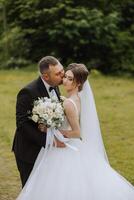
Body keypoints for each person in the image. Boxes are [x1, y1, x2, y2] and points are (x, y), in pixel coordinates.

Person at [16, 63, 134, 199]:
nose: (64, 80)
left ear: (78, 83)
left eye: (69, 78)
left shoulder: (68, 103)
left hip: (65, 147)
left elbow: (77, 132)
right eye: (65, 76)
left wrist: (55, 133)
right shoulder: (73, 99)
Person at [12, 56, 65, 187]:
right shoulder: (27, 92)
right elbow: (22, 124)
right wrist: (48, 141)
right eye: (58, 73)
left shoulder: (55, 86)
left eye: (62, 71)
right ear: (46, 76)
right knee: (30, 188)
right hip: (29, 151)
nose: (62, 75)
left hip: (48, 151)